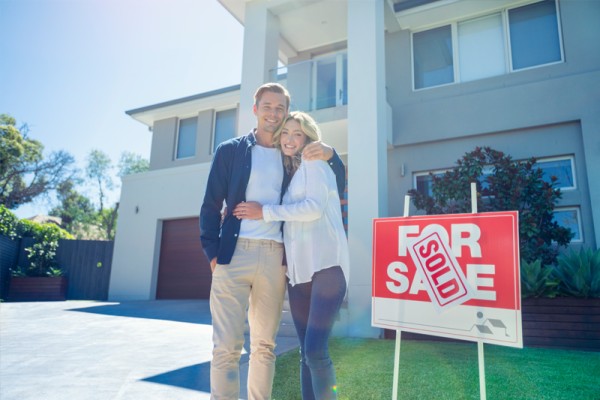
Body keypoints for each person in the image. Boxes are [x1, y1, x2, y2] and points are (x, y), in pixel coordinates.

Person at [200, 83, 346, 400]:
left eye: (280, 107)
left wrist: (332, 154)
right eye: (267, 106)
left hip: (274, 259)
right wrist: (213, 254)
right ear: (255, 109)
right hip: (232, 256)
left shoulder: (291, 156)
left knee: (265, 346)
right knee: (226, 347)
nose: (273, 113)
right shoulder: (231, 150)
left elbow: (335, 183)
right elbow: (211, 205)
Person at [233, 111, 349, 400]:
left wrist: (266, 212)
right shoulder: (292, 172)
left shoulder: (314, 162)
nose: (290, 139)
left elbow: (313, 208)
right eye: (285, 132)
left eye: (297, 133)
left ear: (308, 137)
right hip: (298, 275)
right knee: (304, 353)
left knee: (315, 350)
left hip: (326, 268)